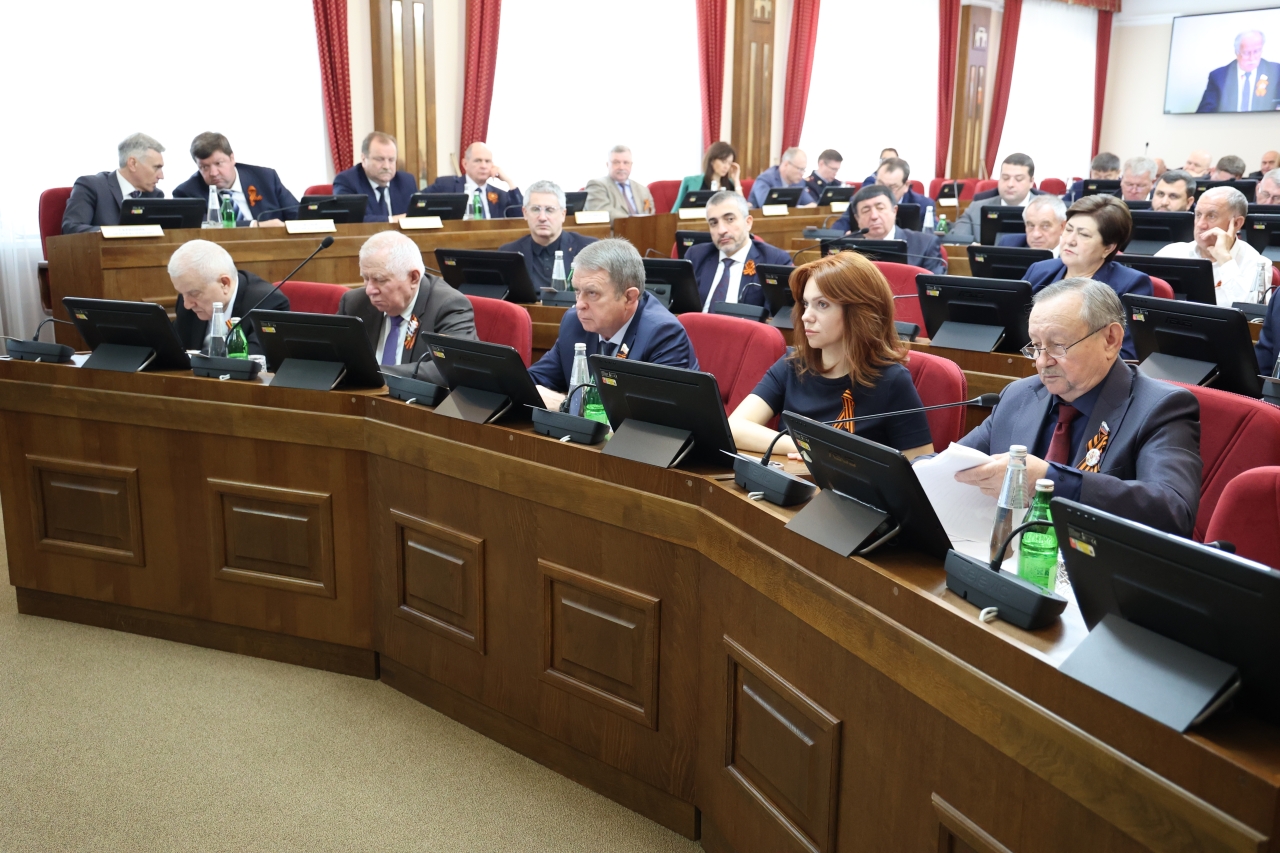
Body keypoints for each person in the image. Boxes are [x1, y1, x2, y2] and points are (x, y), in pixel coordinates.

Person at [953, 277, 1201, 537]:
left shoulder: (1161, 408)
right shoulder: (1018, 395)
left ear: (1111, 339)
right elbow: (957, 465)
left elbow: (1173, 512)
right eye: (1036, 346)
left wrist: (1050, 480)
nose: (1042, 362)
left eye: (1058, 346)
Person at [729, 251, 933, 460]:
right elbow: (734, 428)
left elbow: (920, 468)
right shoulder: (793, 364)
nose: (806, 316)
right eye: (806, 304)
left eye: (822, 304)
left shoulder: (892, 380)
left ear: (859, 312)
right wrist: (805, 444)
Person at [528, 239, 698, 408]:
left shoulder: (663, 334)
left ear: (629, 298)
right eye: (577, 291)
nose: (579, 304)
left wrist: (566, 405)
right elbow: (531, 382)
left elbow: (654, 414)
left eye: (592, 293)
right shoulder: (574, 323)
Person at [1022, 195, 1151, 360]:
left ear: (1108, 247)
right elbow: (1012, 330)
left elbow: (1125, 353)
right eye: (1069, 230)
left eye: (1083, 235)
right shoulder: (1039, 270)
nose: (1070, 241)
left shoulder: (1131, 285)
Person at [339, 231, 476, 384]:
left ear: (413, 278)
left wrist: (372, 374)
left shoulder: (448, 306)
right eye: (365, 278)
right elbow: (333, 356)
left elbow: (453, 369)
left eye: (379, 280)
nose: (370, 290)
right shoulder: (354, 303)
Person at [1155, 186, 1272, 306]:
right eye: (1198, 215)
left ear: (1237, 223)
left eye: (1211, 216)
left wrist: (1225, 259)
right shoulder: (1171, 253)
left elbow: (1251, 313)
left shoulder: (1257, 264)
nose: (1201, 224)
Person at [168, 240, 288, 357]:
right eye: (182, 293)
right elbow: (173, 352)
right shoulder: (188, 299)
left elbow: (248, 359)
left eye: (194, 293)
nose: (187, 304)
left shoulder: (267, 303)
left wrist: (194, 357)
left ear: (224, 283)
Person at [684, 192, 792, 311]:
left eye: (730, 219)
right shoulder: (696, 256)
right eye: (714, 223)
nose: (721, 230)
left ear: (748, 222)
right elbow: (679, 308)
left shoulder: (775, 260)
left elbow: (775, 315)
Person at [171, 133, 297, 226]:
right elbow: (201, 227)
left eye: (218, 163)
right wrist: (255, 226)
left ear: (232, 158)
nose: (213, 173)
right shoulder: (187, 192)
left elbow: (297, 215)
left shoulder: (265, 177)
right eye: (204, 167)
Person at [499, 180, 598, 291]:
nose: (542, 217)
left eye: (549, 210)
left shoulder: (588, 249)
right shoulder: (509, 253)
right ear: (525, 213)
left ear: (563, 214)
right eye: (535, 209)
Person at [62, 133, 166, 234]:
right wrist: (116, 233)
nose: (161, 176)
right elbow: (72, 228)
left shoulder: (155, 196)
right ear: (133, 164)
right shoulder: (92, 186)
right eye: (156, 167)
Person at [832, 185, 947, 274]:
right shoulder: (846, 248)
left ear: (894, 211)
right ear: (857, 218)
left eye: (880, 208)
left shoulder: (925, 244)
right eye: (866, 210)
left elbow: (934, 288)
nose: (874, 216)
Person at [944, 153, 1037, 244]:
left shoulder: (1045, 210)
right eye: (1005, 178)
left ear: (1031, 182)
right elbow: (957, 243)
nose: (1010, 184)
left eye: (1018, 179)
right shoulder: (976, 209)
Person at [332, 132, 417, 222]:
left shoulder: (406, 182)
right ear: (364, 159)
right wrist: (393, 220)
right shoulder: (347, 181)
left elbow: (417, 215)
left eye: (391, 160)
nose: (386, 166)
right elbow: (350, 219)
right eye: (380, 159)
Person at [422, 142, 522, 218]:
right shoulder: (446, 185)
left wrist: (510, 182)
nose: (483, 166)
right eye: (478, 161)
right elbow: (418, 203)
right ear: (465, 164)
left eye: (487, 161)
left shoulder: (500, 195)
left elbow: (521, 218)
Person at [1197, 30, 1280, 113]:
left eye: (1256, 51)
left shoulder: (1276, 72)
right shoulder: (1218, 77)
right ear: (1237, 52)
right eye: (1246, 53)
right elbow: (1203, 114)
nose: (1252, 58)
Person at [859, 157, 935, 229]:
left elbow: (932, 234)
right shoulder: (861, 202)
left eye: (892, 187)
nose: (884, 192)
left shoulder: (924, 206)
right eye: (880, 184)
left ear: (906, 185)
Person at [584, 145, 654, 219]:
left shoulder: (643, 190)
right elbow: (603, 214)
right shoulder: (596, 186)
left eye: (626, 162)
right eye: (616, 162)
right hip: (614, 227)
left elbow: (651, 217)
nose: (621, 167)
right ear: (607, 165)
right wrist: (634, 222)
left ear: (631, 165)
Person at [674, 141, 743, 211]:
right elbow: (675, 211)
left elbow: (742, 209)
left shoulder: (731, 184)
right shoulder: (690, 181)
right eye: (723, 162)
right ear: (712, 160)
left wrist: (736, 180)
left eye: (729, 163)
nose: (726, 167)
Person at [747, 148, 818, 208]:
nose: (802, 174)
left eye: (803, 170)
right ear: (786, 164)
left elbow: (811, 204)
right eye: (800, 169)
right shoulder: (765, 179)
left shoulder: (799, 182)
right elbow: (767, 207)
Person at [995, 194, 1066, 252]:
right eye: (1031, 226)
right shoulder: (1009, 245)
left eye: (1045, 226)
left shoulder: (1071, 255)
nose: (1036, 235)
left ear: (1062, 227)